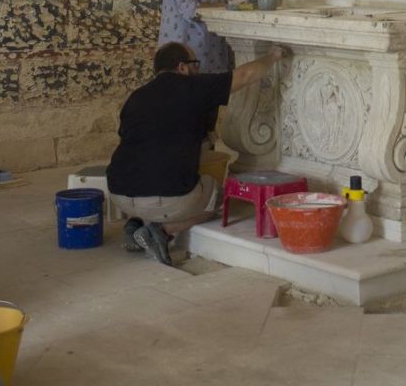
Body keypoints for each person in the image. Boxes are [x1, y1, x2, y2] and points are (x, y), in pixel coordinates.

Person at [107, 40, 287, 265]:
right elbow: (245, 75)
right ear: (182, 67)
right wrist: (272, 56)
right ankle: (161, 231)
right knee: (217, 197)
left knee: (148, 169)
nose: (198, 70)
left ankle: (134, 224)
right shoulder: (193, 87)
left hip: (118, 193)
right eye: (195, 64)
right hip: (165, 198)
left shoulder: (136, 97)